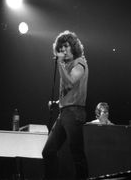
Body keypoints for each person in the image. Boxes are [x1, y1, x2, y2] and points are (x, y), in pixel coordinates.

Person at [42, 30, 89, 179]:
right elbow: (68, 92)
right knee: (48, 151)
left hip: (74, 113)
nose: (63, 50)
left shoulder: (79, 63)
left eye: (66, 46)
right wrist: (57, 103)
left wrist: (61, 63)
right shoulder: (67, 65)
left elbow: (70, 81)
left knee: (77, 155)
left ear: (74, 47)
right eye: (61, 47)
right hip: (64, 113)